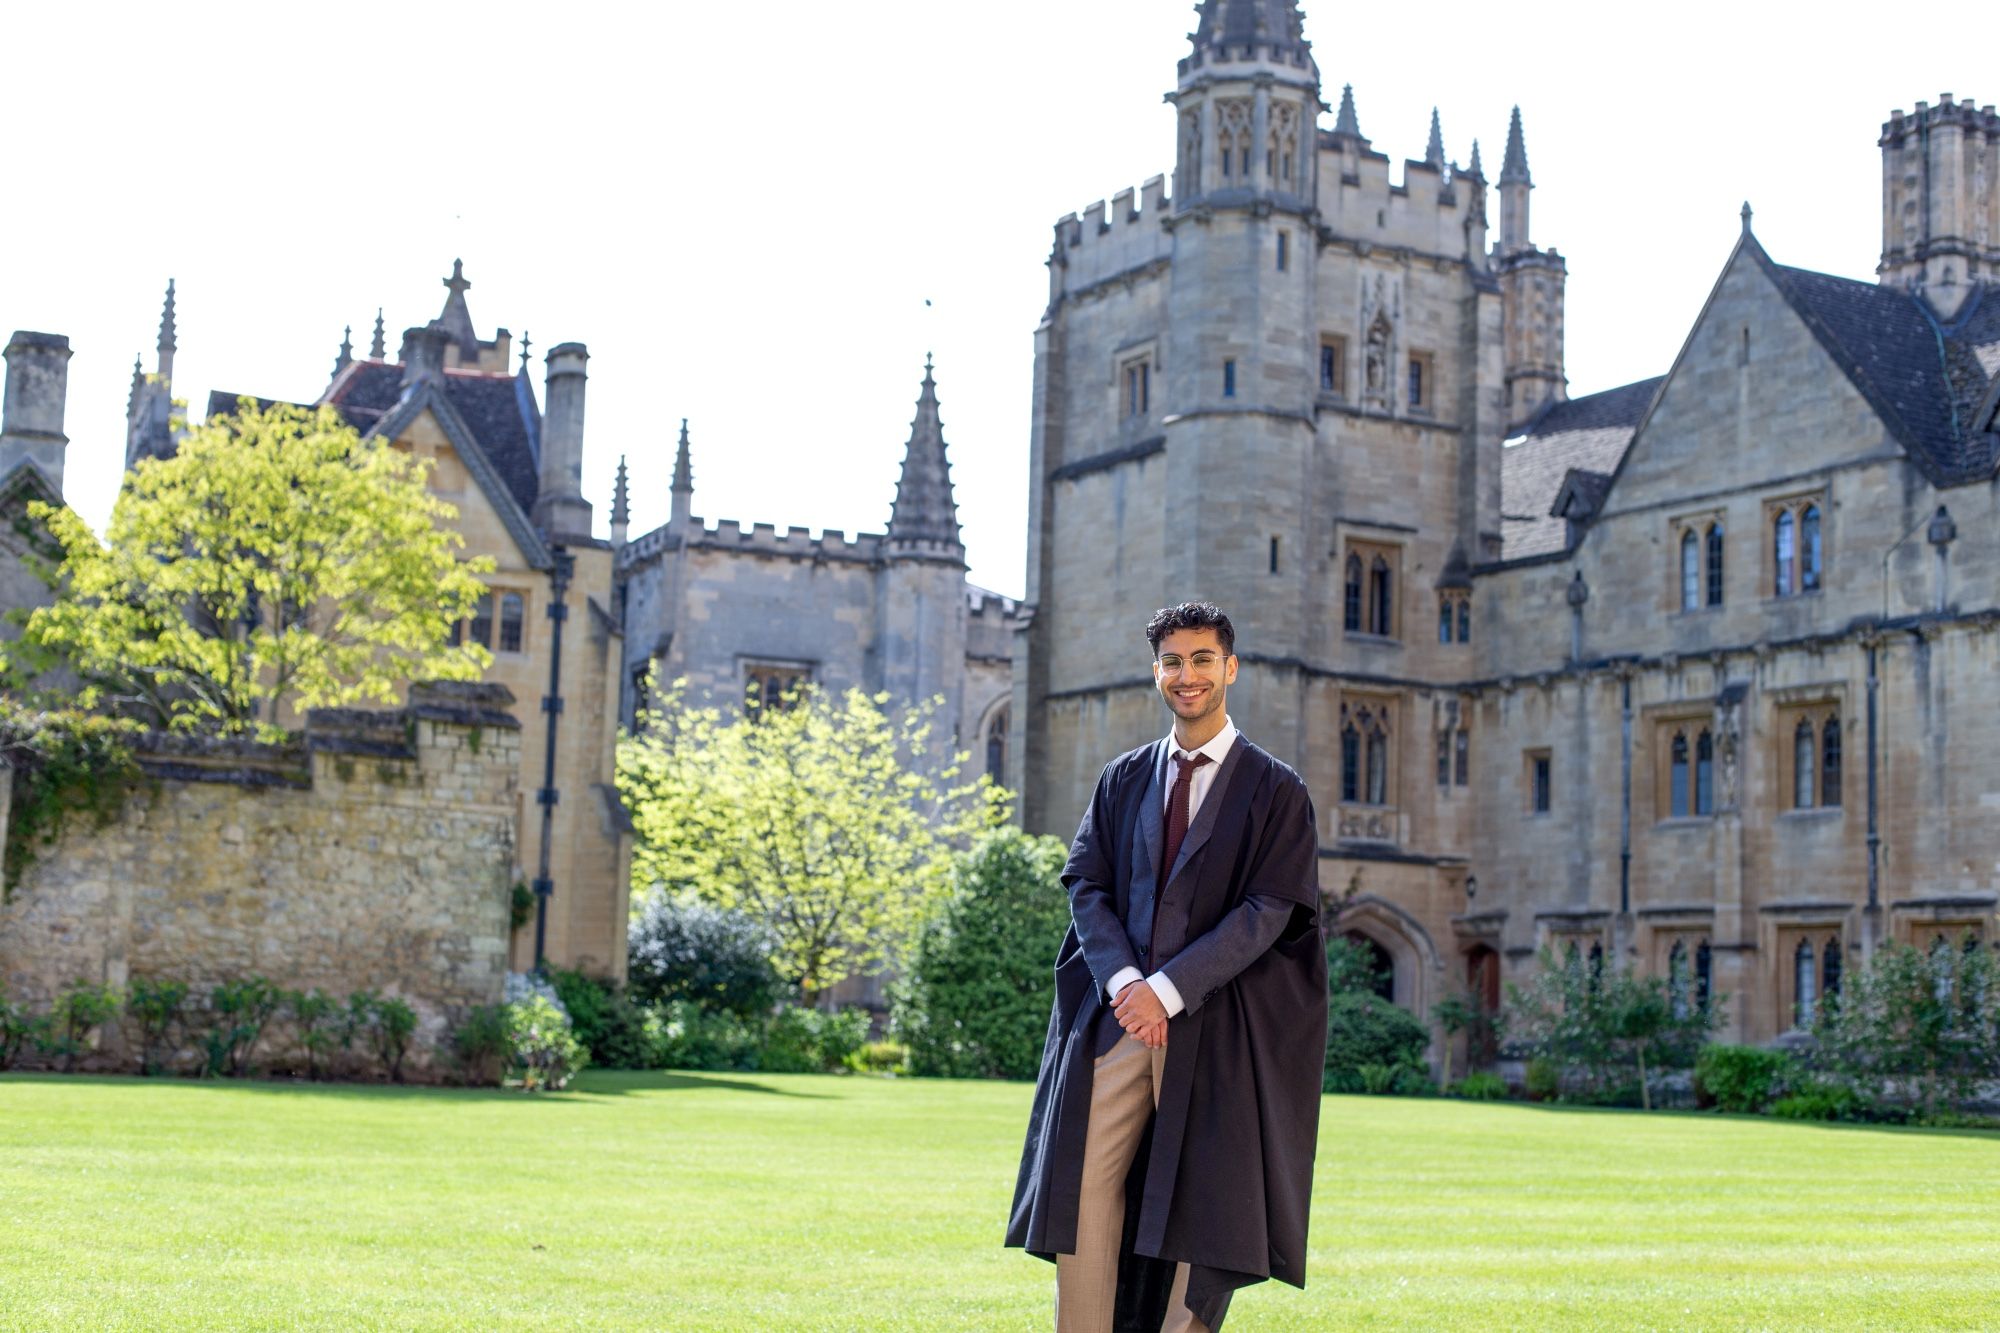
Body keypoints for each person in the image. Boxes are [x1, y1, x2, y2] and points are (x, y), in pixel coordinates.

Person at [1007, 601, 1329, 1332]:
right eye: (1173, 661)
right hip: (1121, 1026)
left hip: (1214, 1031)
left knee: (1204, 1199)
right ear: (1157, 671)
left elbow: (1270, 909)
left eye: (1202, 659)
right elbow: (1086, 884)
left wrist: (1169, 989)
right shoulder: (1124, 778)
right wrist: (1126, 984)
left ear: (1231, 668)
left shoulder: (1278, 791)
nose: (1187, 675)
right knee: (1081, 1185)